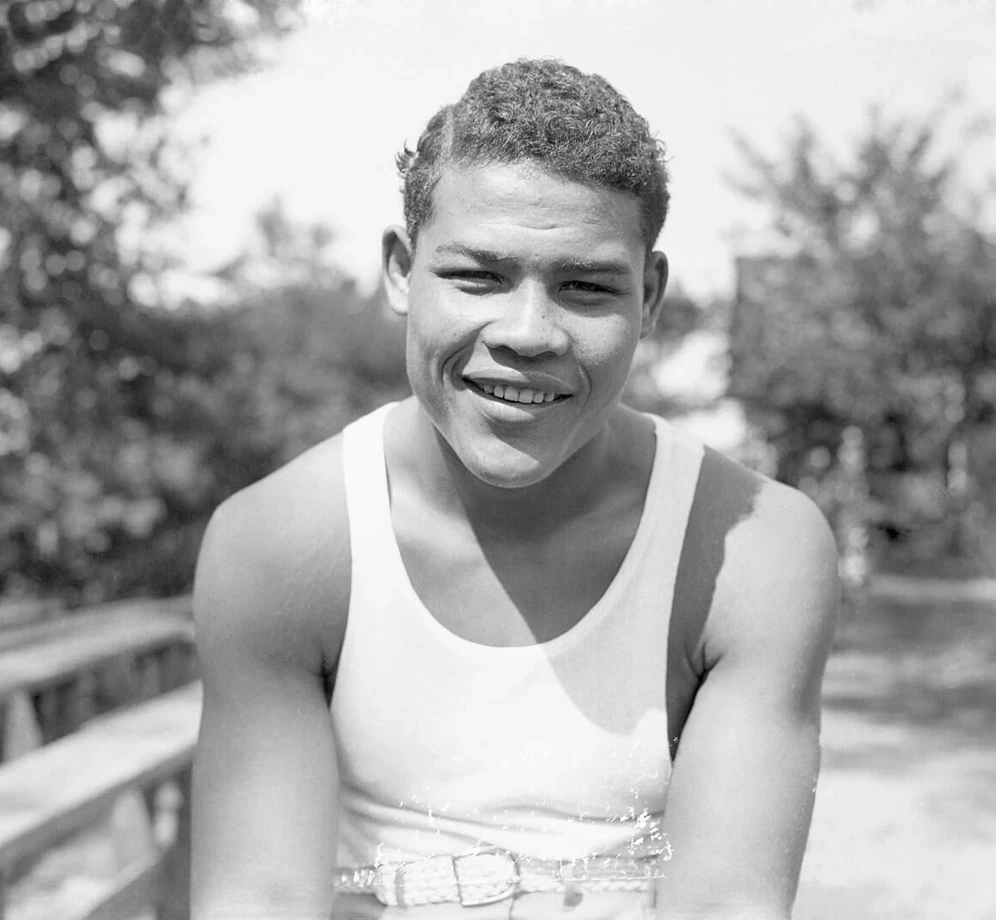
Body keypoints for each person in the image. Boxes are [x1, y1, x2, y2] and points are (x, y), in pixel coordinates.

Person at [189, 59, 840, 920]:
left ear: (648, 297)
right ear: (400, 271)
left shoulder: (752, 552)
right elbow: (259, 896)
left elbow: (728, 901)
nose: (528, 332)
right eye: (477, 276)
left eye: (584, 287)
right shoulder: (283, 545)